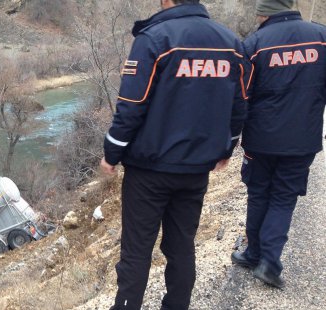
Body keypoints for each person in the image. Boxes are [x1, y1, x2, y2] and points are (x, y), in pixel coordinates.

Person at [100, 0, 247, 309]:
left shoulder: (155, 39)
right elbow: (239, 106)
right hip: (196, 170)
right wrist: (227, 148)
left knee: (137, 251)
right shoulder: (231, 43)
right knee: (181, 247)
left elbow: (131, 105)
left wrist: (111, 153)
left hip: (149, 170)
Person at [231, 0, 326, 289]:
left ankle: (254, 254)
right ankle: (269, 263)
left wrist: (232, 137)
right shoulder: (321, 37)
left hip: (260, 139)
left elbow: (240, 95)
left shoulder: (255, 44)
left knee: (259, 193)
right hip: (302, 139)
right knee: (283, 197)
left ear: (263, 12)